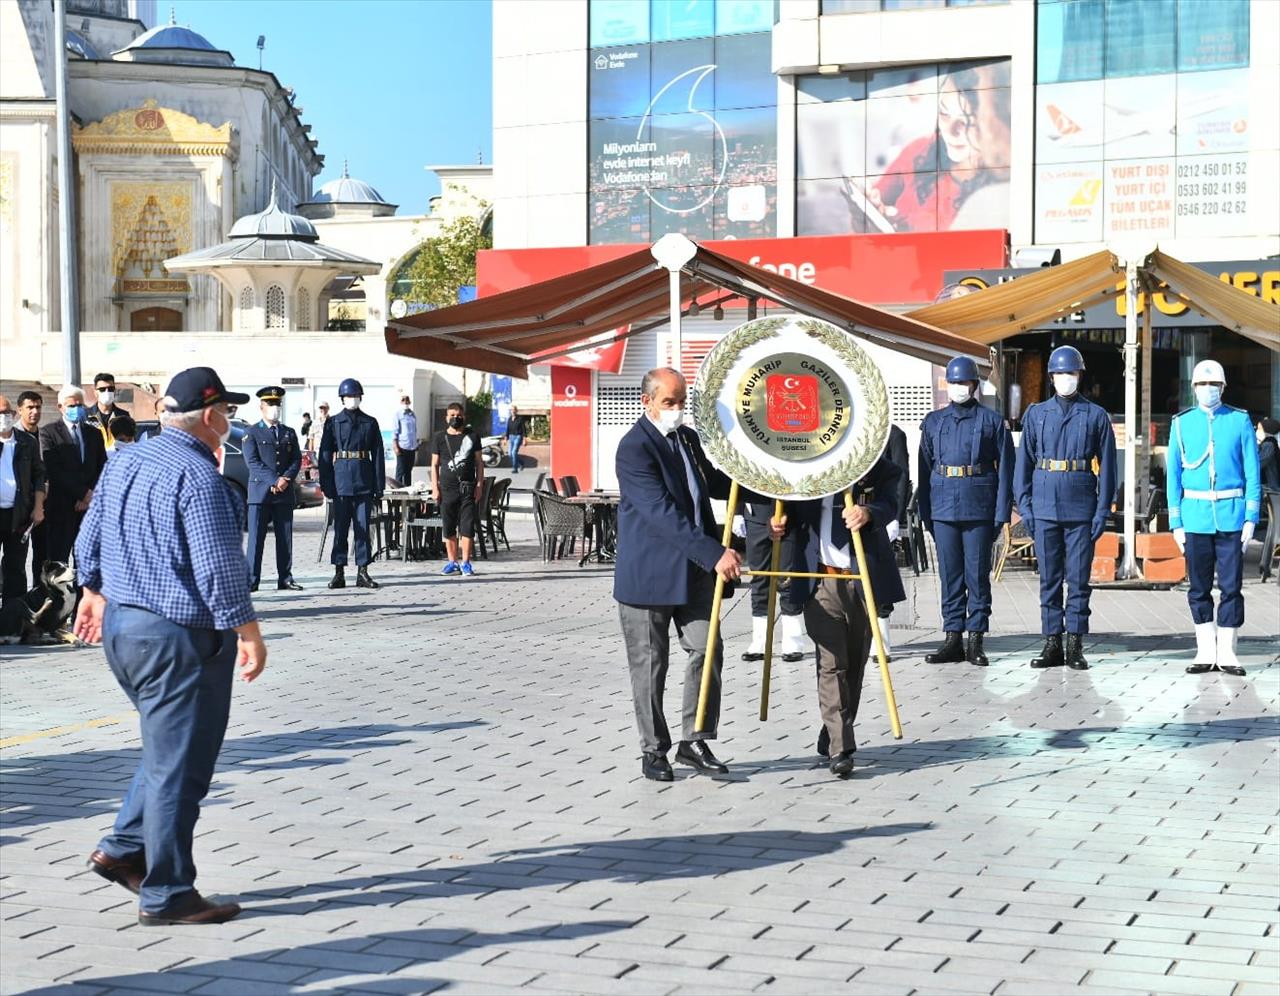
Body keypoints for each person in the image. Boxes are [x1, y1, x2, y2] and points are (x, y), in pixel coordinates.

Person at [72, 366, 266, 926]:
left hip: (124, 629)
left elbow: (90, 536)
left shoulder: (126, 461)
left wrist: (92, 590)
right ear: (210, 417)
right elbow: (218, 565)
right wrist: (248, 631)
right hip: (177, 636)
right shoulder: (199, 475)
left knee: (168, 752)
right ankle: (168, 893)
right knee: (180, 767)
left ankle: (124, 848)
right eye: (226, 413)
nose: (228, 422)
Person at [614, 367, 744, 782]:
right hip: (649, 577)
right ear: (647, 401)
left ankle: (695, 738)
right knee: (650, 665)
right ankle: (654, 750)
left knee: (708, 650)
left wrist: (768, 484)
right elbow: (661, 514)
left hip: (693, 574)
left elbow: (714, 484)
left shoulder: (687, 439)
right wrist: (715, 553)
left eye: (681, 402)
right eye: (669, 402)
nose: (677, 410)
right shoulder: (634, 448)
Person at [770, 454, 906, 777]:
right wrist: (777, 523)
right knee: (831, 661)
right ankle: (841, 746)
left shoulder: (870, 461)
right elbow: (786, 510)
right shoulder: (805, 466)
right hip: (820, 579)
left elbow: (891, 496)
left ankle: (832, 728)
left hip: (863, 576)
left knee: (855, 663)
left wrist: (869, 513)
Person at [1013, 345, 1117, 671]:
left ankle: (1075, 642)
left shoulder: (1096, 416)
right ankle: (1051, 641)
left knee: (1079, 579)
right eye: (1059, 374)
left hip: (1081, 507)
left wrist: (1102, 512)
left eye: (1070, 373)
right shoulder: (1036, 414)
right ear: (1051, 377)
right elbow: (1023, 465)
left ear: (1079, 376)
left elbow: (1109, 470)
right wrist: (1026, 508)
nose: (1065, 379)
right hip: (1043, 506)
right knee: (1049, 579)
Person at [917, 357, 1015, 667]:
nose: (959, 387)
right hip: (943, 504)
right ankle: (952, 636)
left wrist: (1001, 513)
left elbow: (1006, 470)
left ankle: (976, 638)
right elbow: (923, 469)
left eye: (964, 382)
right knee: (949, 575)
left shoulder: (991, 421)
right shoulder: (934, 422)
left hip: (979, 505)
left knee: (977, 574)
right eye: (954, 382)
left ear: (974, 385)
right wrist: (925, 511)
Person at [1168, 360, 1261, 676]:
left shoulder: (1239, 421)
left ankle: (1228, 652)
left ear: (1222, 388)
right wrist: (1176, 523)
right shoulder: (1181, 424)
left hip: (1231, 516)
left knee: (1232, 587)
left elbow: (1252, 472)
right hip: (1195, 518)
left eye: (1214, 385)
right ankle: (1205, 650)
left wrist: (1251, 517)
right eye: (1202, 385)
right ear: (1194, 389)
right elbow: (1173, 478)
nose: (1208, 390)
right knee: (1198, 587)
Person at [318, 378, 384, 590]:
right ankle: (339, 571)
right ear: (342, 399)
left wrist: (379, 485)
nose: (352, 399)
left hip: (364, 478)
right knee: (341, 528)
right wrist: (326, 483)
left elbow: (378, 456)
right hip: (342, 481)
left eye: (355, 396)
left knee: (363, 528)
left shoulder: (370, 422)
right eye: (348, 396)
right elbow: (325, 455)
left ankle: (363, 571)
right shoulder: (334, 422)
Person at [38, 386, 107, 571]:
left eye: (79, 404)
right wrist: (83, 493)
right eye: (71, 405)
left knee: (87, 562)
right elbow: (54, 470)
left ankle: (83, 599)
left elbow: (102, 467)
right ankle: (58, 600)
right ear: (60, 407)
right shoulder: (48, 433)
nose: (76, 408)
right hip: (61, 508)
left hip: (88, 510)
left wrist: (90, 496)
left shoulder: (94, 433)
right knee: (58, 564)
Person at [244, 386, 302, 592]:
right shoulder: (251, 432)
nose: (274, 408)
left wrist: (285, 478)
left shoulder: (289, 432)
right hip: (260, 493)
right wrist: (275, 480)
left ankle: (285, 578)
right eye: (270, 404)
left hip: (283, 493)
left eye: (277, 404)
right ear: (261, 406)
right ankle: (252, 579)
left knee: (284, 538)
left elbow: (296, 459)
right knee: (256, 539)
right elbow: (253, 462)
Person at [739, 500, 807, 664]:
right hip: (756, 514)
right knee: (759, 578)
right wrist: (736, 511)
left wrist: (787, 512)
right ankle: (759, 641)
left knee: (787, 578)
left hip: (789, 515)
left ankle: (793, 641)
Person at [0, 395, 46, 604]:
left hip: (19, 515)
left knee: (16, 567)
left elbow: (38, 476)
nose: (4, 417)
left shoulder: (27, 441)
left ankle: (11, 622)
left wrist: (38, 508)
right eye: (0, 414)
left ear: (13, 413)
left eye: (6, 412)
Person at [431, 402, 484, 577]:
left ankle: (466, 563)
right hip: (447, 489)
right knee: (449, 527)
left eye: (458, 414)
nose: (456, 418)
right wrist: (435, 488)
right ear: (446, 417)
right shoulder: (439, 437)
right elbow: (434, 465)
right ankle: (452, 562)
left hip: (467, 488)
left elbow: (479, 463)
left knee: (467, 527)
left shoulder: (473, 437)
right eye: (452, 415)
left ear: (464, 416)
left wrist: (479, 485)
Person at [878, 422, 911, 660]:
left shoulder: (893, 434)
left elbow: (901, 475)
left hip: (880, 513)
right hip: (848, 515)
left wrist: (895, 517)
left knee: (880, 578)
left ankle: (881, 641)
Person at [85, 372, 130, 449]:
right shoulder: (87, 416)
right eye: (102, 389)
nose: (107, 392)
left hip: (117, 459)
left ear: (115, 391)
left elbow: (130, 442)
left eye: (110, 389)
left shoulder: (123, 416)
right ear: (95, 393)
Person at [392, 394, 419, 486]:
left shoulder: (412, 414)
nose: (405, 402)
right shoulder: (398, 415)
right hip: (402, 446)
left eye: (407, 400)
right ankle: (396, 490)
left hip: (412, 447)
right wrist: (395, 447)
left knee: (408, 470)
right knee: (400, 470)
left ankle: (407, 488)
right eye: (403, 400)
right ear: (400, 402)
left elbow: (414, 430)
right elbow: (395, 432)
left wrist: (416, 444)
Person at [504, 405, 529, 473]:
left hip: (518, 437)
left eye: (514, 409)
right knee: (510, 454)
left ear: (516, 410)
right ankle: (521, 463)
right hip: (511, 437)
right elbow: (508, 429)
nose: (513, 411)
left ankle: (515, 468)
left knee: (514, 452)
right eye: (511, 410)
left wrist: (524, 439)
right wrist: (506, 438)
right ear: (510, 411)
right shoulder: (509, 419)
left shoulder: (520, 418)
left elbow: (524, 429)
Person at [1258, 417, 1280, 492]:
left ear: (1267, 430)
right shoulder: (1270, 442)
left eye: (1259, 429)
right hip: (1270, 486)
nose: (1257, 431)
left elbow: (1259, 463)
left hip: (1270, 487)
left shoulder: (1269, 444)